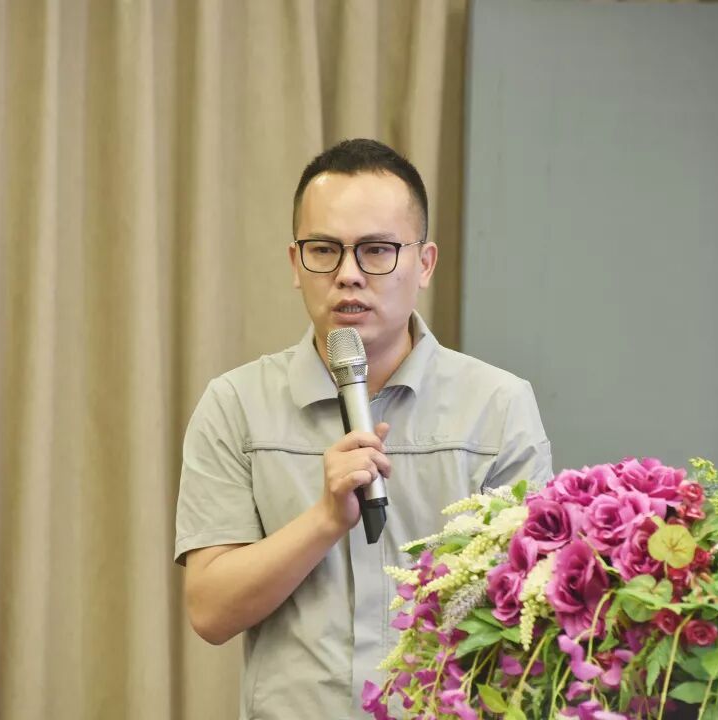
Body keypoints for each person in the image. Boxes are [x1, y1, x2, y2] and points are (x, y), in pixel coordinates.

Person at [175, 138, 552, 720]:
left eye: (377, 250)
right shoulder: (235, 405)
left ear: (424, 263)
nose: (348, 275)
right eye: (324, 250)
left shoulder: (497, 406)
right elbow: (210, 612)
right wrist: (325, 520)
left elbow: (533, 608)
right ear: (295, 263)